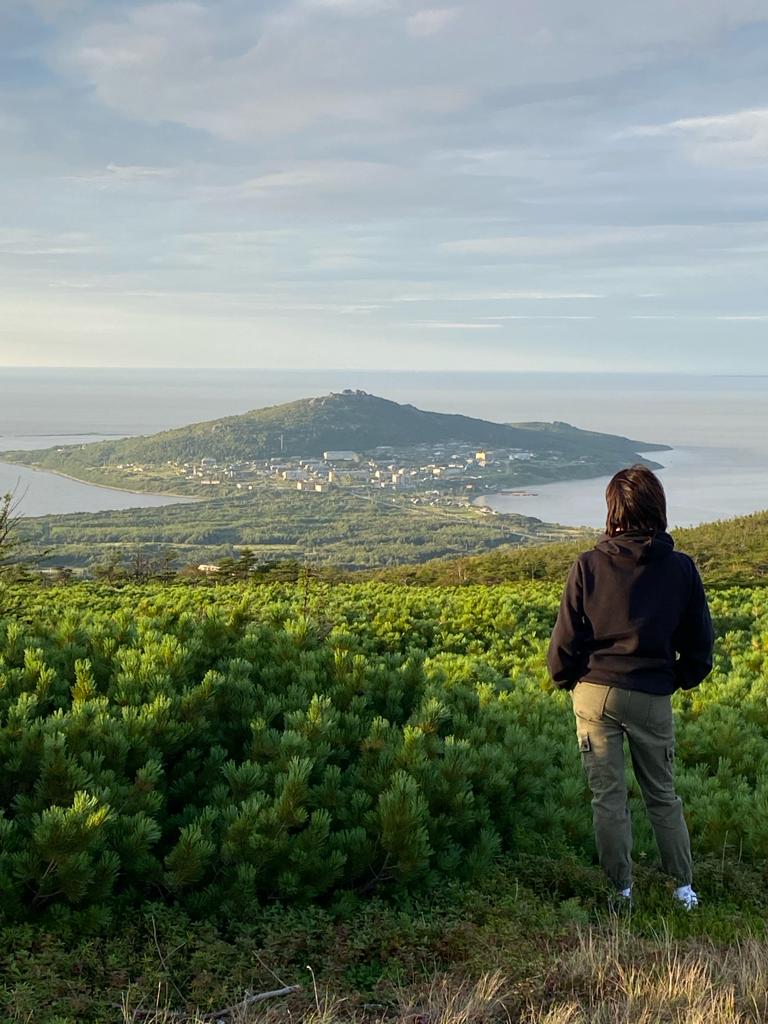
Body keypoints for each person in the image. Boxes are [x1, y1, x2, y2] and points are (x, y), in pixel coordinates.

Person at [547, 464, 714, 910]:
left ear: (613, 510)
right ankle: (683, 890)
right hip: (652, 695)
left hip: (595, 693)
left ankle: (619, 891)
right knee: (662, 795)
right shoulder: (681, 569)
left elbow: (564, 643)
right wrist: (678, 678)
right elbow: (700, 644)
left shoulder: (588, 566)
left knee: (609, 798)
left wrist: (570, 681)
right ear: (657, 507)